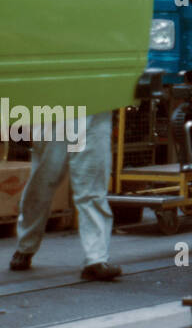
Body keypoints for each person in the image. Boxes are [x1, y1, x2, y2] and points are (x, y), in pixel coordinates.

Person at [9, 111, 121, 281]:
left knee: (92, 190)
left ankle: (96, 259)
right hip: (56, 111)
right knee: (40, 186)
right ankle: (26, 246)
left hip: (95, 112)